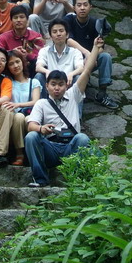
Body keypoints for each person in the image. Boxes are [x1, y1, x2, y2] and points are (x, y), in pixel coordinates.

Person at [24, 38, 103, 186]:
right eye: (53, 84)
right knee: (31, 136)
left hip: (71, 146)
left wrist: (95, 48)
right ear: (46, 86)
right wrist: (41, 129)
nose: (57, 88)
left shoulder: (74, 95)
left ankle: (76, 181)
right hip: (50, 147)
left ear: (66, 85)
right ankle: (40, 179)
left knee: (82, 138)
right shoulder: (41, 103)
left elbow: (86, 71)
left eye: (60, 84)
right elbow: (31, 125)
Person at [65, 0, 119, 109]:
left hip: (89, 61)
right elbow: (68, 40)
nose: (82, 8)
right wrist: (87, 54)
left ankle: (102, 93)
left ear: (91, 7)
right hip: (72, 61)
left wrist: (91, 57)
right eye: (79, 5)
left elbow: (101, 47)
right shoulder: (69, 20)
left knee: (105, 57)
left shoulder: (96, 23)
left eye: (85, 5)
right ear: (74, 8)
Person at [35, 18, 84, 98]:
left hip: (68, 86)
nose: (58, 34)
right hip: (50, 87)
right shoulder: (44, 51)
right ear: (51, 36)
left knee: (78, 78)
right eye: (54, 32)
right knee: (39, 76)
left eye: (61, 31)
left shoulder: (75, 52)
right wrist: (47, 71)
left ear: (67, 34)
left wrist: (72, 74)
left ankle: (76, 106)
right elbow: (38, 67)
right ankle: (41, 104)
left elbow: (81, 68)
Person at [0, 5, 45, 75]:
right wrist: (13, 53)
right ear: (11, 21)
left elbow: (41, 56)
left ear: (27, 20)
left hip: (31, 69)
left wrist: (27, 55)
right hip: (11, 71)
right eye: (15, 17)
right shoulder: (3, 38)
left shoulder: (36, 36)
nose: (18, 20)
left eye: (22, 17)